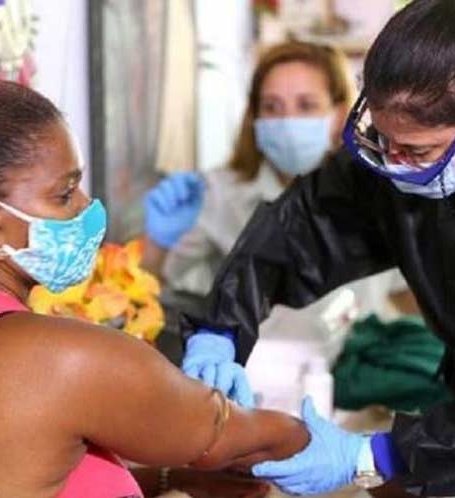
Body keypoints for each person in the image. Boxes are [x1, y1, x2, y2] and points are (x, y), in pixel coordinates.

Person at [178, 0, 455, 496]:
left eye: (416, 152)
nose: (393, 167)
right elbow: (309, 222)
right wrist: (222, 326)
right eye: (384, 142)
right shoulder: (411, 141)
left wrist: (371, 455)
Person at [0, 77, 310, 498]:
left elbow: (16, 475)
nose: (88, 207)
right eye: (64, 194)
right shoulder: (61, 358)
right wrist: (354, 452)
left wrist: (171, 480)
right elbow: (248, 438)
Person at [141, 41, 413, 406]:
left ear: (339, 114)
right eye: (272, 107)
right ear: (254, 118)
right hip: (245, 393)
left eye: (306, 106)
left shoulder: (379, 200)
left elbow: (409, 296)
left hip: (351, 399)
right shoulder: (217, 195)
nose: (288, 122)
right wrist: (156, 242)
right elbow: (148, 292)